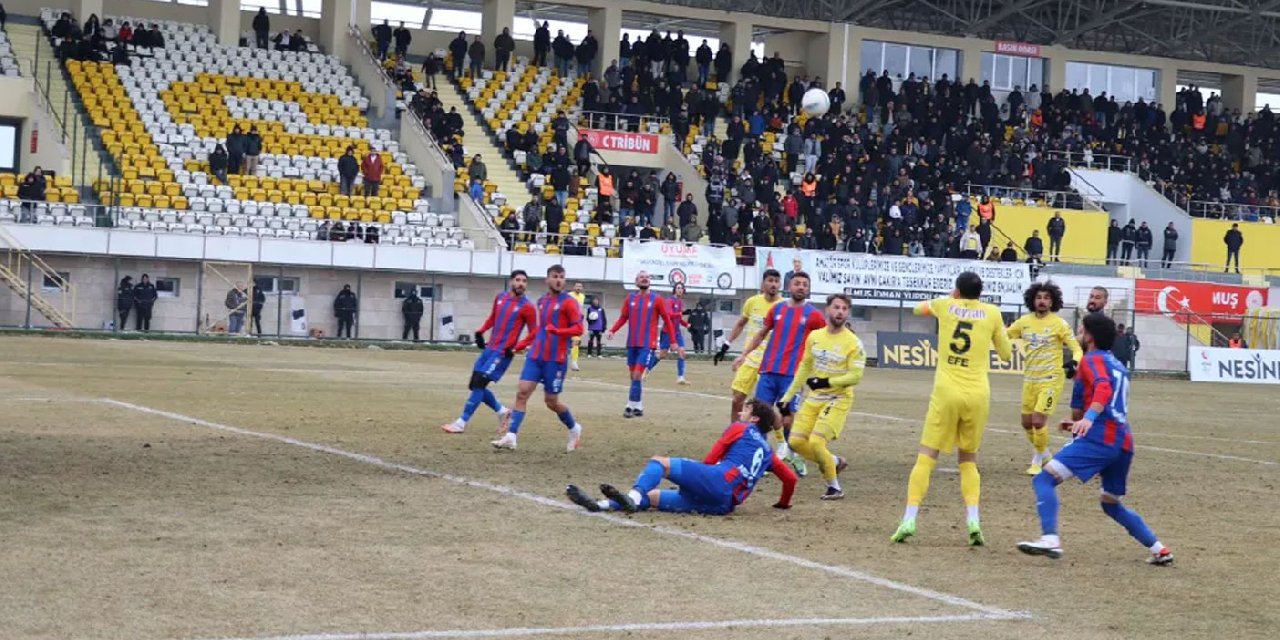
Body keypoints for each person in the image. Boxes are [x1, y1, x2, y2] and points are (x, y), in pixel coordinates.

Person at [1017, 313, 1174, 566]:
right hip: (1122, 440)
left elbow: (1103, 388)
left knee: (1044, 479)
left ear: (1089, 336)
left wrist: (1089, 419)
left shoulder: (1091, 360)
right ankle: (1158, 548)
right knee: (1110, 503)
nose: (1079, 334)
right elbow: (1103, 402)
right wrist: (1079, 422)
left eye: (1081, 330)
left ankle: (1050, 538)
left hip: (1101, 436)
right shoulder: (1117, 365)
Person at [890, 272, 1013, 546]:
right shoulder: (992, 313)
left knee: (926, 457)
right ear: (981, 293)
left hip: (946, 392)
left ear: (957, 290)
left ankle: (909, 518)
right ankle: (973, 521)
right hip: (978, 394)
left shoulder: (945, 305)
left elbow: (916, 308)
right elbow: (1006, 354)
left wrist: (948, 299)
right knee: (968, 460)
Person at [566, 400, 797, 515]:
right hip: (724, 505)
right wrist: (783, 503)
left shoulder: (740, 428)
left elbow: (711, 458)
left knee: (659, 462)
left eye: (745, 411)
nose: (740, 413)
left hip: (716, 481)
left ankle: (632, 498)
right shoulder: (767, 452)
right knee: (654, 496)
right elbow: (790, 480)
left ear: (754, 419)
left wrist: (699, 476)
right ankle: (601, 505)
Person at [732, 271, 827, 477]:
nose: (801, 287)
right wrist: (744, 355)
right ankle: (762, 458)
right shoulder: (777, 310)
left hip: (792, 375)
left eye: (804, 284)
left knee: (787, 418)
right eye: (797, 284)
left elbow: (826, 338)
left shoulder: (814, 315)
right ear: (789, 287)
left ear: (808, 289)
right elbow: (760, 334)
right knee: (760, 416)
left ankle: (794, 454)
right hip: (768, 371)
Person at [778, 293, 866, 500]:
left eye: (844, 309)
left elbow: (856, 376)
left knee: (817, 442)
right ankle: (833, 461)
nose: (840, 312)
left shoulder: (853, 343)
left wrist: (827, 382)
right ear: (827, 309)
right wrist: (787, 396)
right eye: (836, 307)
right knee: (796, 443)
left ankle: (834, 487)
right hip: (814, 399)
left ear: (848, 313)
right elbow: (805, 367)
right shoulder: (815, 337)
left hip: (838, 399)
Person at [491, 265, 585, 452]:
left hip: (555, 359)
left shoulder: (569, 303)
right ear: (547, 279)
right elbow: (539, 331)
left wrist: (558, 331)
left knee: (551, 402)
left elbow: (578, 329)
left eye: (562, 277)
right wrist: (519, 346)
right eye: (555, 276)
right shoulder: (542, 302)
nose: (559, 280)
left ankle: (574, 428)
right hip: (536, 356)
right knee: (522, 392)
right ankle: (511, 436)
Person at [442, 271, 537, 434]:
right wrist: (481, 331)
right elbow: (493, 318)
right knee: (474, 385)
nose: (521, 283)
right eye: (518, 280)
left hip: (502, 353)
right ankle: (503, 412)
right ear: (511, 282)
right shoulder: (500, 298)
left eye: (524, 281)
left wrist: (516, 348)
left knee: (480, 383)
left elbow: (534, 333)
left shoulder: (527, 307)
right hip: (489, 349)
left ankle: (461, 422)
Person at [1007, 282, 1083, 476]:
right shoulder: (1024, 322)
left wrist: (1074, 362)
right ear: (1032, 300)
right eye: (1039, 297)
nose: (1042, 301)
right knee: (1026, 423)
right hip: (1030, 379)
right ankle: (1046, 454)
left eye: (1046, 298)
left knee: (1038, 421)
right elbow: (1004, 336)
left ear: (1053, 301)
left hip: (1051, 379)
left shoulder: (1059, 323)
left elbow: (1076, 348)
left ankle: (1037, 461)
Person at [607, 271, 680, 418]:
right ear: (636, 281)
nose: (645, 279)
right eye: (642, 277)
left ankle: (629, 406)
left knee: (637, 374)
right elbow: (623, 318)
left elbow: (667, 320)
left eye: (647, 277)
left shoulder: (657, 299)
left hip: (648, 344)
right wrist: (613, 330)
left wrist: (673, 341)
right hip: (632, 342)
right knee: (633, 376)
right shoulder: (630, 299)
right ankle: (639, 406)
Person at [721, 269, 782, 423]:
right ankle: (734, 433)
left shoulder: (783, 306)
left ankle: (781, 440)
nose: (773, 284)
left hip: (771, 361)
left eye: (776, 281)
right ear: (763, 284)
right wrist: (727, 343)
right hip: (750, 357)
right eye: (770, 280)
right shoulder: (752, 302)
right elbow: (741, 323)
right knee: (737, 399)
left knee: (766, 407)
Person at [647, 283, 691, 384]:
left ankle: (680, 377)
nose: (680, 290)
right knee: (662, 354)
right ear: (674, 290)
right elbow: (668, 315)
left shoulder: (680, 302)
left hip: (677, 332)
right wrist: (679, 313)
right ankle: (647, 369)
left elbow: (678, 319)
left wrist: (686, 324)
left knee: (682, 352)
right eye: (678, 288)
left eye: (681, 288)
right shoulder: (669, 301)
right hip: (667, 332)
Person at [568, 281, 586, 371]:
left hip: (577, 321)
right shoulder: (569, 295)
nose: (578, 288)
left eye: (580, 286)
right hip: (568, 322)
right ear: (574, 287)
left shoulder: (582, 296)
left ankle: (574, 362)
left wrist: (581, 315)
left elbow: (580, 308)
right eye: (577, 286)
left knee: (576, 341)